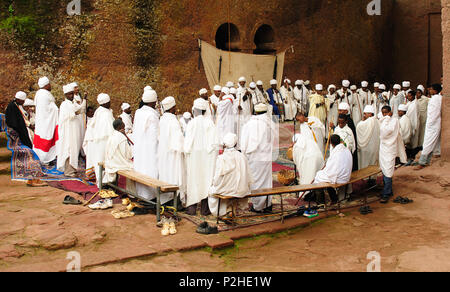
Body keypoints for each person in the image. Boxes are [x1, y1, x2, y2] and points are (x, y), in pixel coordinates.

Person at [240, 103, 278, 213]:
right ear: (266, 111)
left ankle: (258, 206)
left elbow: (244, 142)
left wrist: (244, 154)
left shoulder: (249, 124)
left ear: (255, 112)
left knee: (255, 181)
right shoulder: (270, 123)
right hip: (266, 157)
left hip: (254, 157)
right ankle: (267, 204)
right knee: (266, 181)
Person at [184, 98, 219, 215]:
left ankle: (192, 208)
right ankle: (205, 209)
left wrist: (187, 154)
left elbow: (187, 143)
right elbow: (214, 143)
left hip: (194, 157)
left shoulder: (191, 123)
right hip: (207, 157)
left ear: (195, 110)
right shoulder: (210, 123)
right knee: (206, 179)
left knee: (193, 179)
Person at [208, 133, 253, 218]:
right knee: (231, 188)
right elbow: (248, 176)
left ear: (224, 145)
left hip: (227, 189)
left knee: (212, 191)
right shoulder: (242, 156)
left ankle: (224, 214)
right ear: (235, 144)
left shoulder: (221, 158)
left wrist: (214, 185)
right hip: (241, 190)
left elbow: (217, 179)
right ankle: (231, 210)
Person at [133, 89, 160, 201]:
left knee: (140, 168)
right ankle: (151, 197)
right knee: (150, 170)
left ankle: (141, 195)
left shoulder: (138, 112)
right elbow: (156, 136)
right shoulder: (152, 115)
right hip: (150, 150)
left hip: (139, 148)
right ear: (152, 102)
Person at [158, 96, 185, 206]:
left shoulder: (162, 119)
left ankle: (166, 200)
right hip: (173, 153)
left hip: (164, 152)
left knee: (165, 174)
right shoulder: (172, 120)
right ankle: (175, 201)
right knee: (174, 175)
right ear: (172, 108)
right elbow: (177, 139)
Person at [83, 93, 115, 185]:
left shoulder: (99, 111)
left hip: (98, 142)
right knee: (105, 162)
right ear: (105, 103)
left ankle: (101, 181)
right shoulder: (105, 114)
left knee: (100, 162)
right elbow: (110, 130)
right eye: (109, 102)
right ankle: (104, 182)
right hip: (104, 142)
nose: (110, 103)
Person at [313, 134, 353, 204]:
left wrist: (322, 171)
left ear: (331, 143)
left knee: (318, 177)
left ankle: (320, 203)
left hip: (341, 178)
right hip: (346, 176)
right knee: (325, 178)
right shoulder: (346, 149)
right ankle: (334, 198)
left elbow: (331, 171)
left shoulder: (336, 153)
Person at [379, 106, 406, 203]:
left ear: (390, 112)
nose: (385, 115)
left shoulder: (394, 121)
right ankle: (388, 190)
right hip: (383, 149)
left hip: (390, 149)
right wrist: (384, 119)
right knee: (384, 169)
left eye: (386, 113)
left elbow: (386, 131)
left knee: (388, 170)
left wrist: (385, 120)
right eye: (383, 113)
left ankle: (386, 194)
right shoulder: (383, 120)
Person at [414, 84, 442, 170]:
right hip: (433, 124)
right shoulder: (437, 98)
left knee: (427, 143)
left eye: (431, 89)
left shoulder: (436, 99)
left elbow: (434, 113)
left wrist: (430, 123)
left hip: (433, 124)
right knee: (430, 142)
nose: (429, 91)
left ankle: (422, 162)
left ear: (435, 91)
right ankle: (427, 161)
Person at [57, 84, 82, 177]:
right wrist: (75, 112)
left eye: (72, 93)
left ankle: (73, 170)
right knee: (68, 149)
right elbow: (68, 116)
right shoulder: (64, 105)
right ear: (66, 95)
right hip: (67, 132)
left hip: (74, 131)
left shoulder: (73, 103)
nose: (71, 95)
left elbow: (80, 110)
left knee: (74, 149)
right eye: (69, 94)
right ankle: (69, 171)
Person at [33, 77, 59, 164]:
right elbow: (51, 109)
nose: (50, 86)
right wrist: (57, 110)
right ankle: (46, 158)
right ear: (46, 85)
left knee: (41, 136)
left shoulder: (38, 93)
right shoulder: (45, 94)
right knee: (47, 136)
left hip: (41, 121)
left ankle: (42, 157)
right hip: (47, 121)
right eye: (49, 84)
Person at [104, 119, 133, 184]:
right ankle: (131, 192)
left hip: (110, 162)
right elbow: (128, 155)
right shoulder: (122, 138)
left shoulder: (111, 135)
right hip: (118, 163)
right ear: (120, 127)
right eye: (123, 126)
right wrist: (125, 136)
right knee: (135, 166)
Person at [356, 105, 380, 172]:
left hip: (367, 148)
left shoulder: (368, 121)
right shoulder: (377, 121)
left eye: (365, 113)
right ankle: (373, 178)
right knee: (373, 162)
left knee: (366, 163)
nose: (364, 115)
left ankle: (366, 178)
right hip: (375, 147)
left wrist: (361, 121)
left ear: (370, 114)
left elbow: (359, 127)